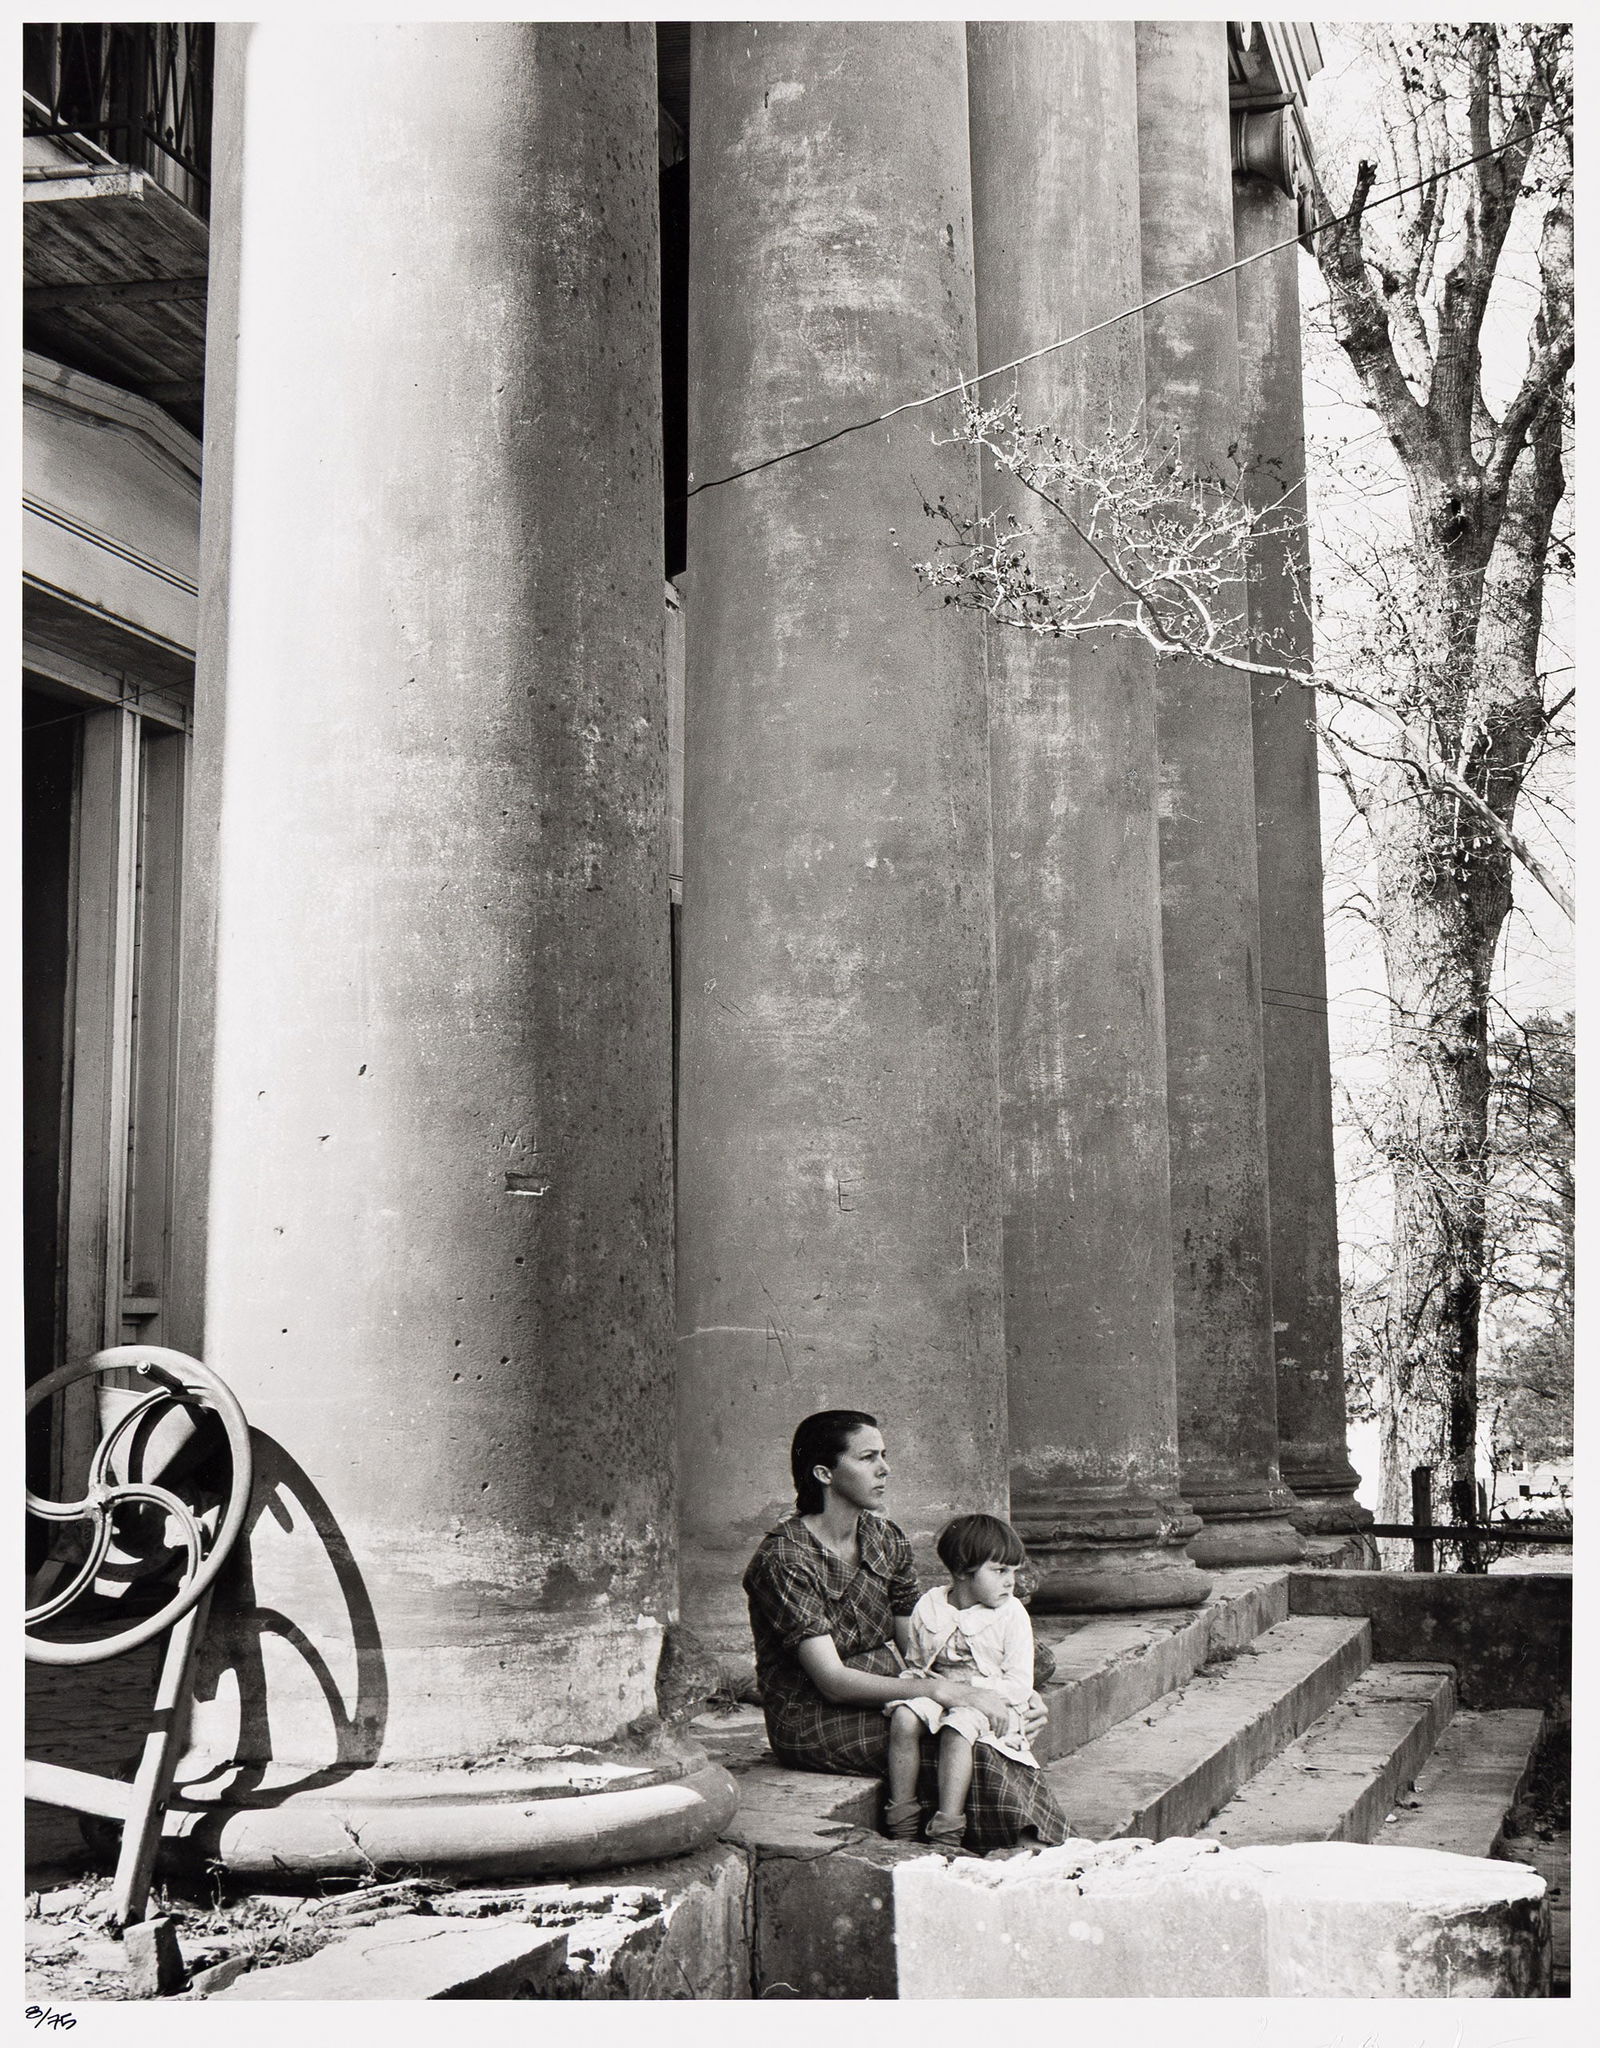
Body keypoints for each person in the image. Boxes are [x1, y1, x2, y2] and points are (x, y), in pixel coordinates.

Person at [742, 1410, 1071, 1853]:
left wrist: (1016, 1696)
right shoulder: (785, 1559)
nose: (885, 1468)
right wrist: (945, 1694)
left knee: (982, 1726)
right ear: (824, 1472)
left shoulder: (884, 1538)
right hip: (814, 1715)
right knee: (970, 1747)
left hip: (896, 1690)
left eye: (885, 1455)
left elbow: (919, 1641)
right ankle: (1035, 1852)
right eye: (867, 1458)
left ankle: (1041, 1851)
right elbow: (832, 1682)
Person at [883, 1512, 1040, 1846]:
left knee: (958, 1730)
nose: (1011, 1582)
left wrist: (972, 1690)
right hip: (941, 1693)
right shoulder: (930, 1606)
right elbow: (917, 1662)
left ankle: (947, 1830)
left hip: (990, 1700)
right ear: (962, 1572)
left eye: (1013, 1571)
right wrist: (927, 1691)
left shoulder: (1011, 1614)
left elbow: (1019, 1684)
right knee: (904, 1717)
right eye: (999, 1571)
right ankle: (902, 1822)